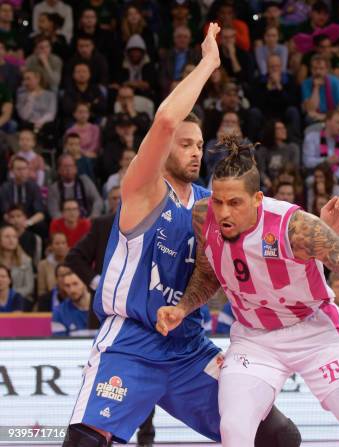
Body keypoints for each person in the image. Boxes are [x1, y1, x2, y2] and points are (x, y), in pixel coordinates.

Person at [61, 25, 301, 447]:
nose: (195, 151)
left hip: (189, 347)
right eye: (185, 143)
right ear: (164, 146)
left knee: (279, 436)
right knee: (86, 442)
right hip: (132, 341)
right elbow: (167, 118)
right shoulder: (143, 190)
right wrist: (209, 62)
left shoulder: (213, 204)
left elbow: (255, 252)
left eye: (199, 144)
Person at [155, 135, 339, 447]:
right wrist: (181, 308)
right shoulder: (202, 215)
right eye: (219, 201)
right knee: (234, 429)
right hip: (254, 339)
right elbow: (209, 274)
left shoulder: (297, 227)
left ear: (258, 199)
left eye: (235, 203)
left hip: (315, 333)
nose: (223, 213)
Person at [47, 154, 103, 219]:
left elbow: (98, 200)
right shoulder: (54, 188)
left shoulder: (85, 181)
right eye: (65, 166)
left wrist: (93, 216)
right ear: (59, 170)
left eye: (71, 166)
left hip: (88, 220)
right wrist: (67, 223)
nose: (68, 169)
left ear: (76, 168)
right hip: (65, 223)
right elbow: (54, 211)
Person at [0, 225, 34, 304]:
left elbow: (29, 287)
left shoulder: (26, 260)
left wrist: (11, 295)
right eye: (7, 237)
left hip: (21, 298)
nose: (11, 240)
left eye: (14, 237)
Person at [51, 271, 90, 336]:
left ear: (85, 283)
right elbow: (59, 343)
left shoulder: (102, 308)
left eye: (75, 284)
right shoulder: (59, 312)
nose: (72, 290)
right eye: (67, 286)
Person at [37, 232, 69, 298]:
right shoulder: (43, 265)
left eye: (63, 243)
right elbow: (41, 291)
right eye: (57, 243)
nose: (61, 246)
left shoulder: (74, 263)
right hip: (50, 301)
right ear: (51, 246)